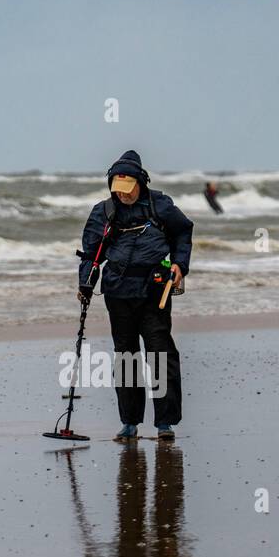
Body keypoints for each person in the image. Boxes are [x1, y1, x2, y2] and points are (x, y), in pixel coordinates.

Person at [77, 150, 193, 442]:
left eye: (128, 190)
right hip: (117, 292)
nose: (124, 196)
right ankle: (129, 423)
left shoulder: (160, 206)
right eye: (118, 190)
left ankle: (164, 423)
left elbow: (183, 232)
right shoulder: (104, 211)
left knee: (160, 354)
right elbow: (91, 254)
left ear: (140, 182)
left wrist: (181, 264)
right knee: (125, 356)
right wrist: (85, 285)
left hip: (155, 291)